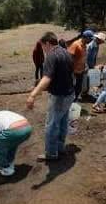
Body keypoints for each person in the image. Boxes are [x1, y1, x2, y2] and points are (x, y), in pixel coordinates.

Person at [26, 32, 74, 161]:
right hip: (69, 94)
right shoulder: (66, 52)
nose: (43, 50)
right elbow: (65, 74)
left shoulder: (51, 56)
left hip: (59, 96)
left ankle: (51, 153)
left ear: (47, 43)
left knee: (51, 125)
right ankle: (60, 148)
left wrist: (33, 95)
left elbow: (47, 78)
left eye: (43, 47)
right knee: (63, 122)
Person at [0, 109, 32, 176]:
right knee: (10, 144)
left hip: (14, 130)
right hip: (27, 128)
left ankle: (6, 169)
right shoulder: (0, 114)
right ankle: (10, 164)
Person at [68, 30, 94, 101]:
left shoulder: (85, 45)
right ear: (85, 37)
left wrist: (85, 66)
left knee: (78, 87)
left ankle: (75, 100)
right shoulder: (76, 45)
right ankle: (71, 102)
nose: (91, 40)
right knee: (72, 87)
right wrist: (71, 71)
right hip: (74, 71)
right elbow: (70, 58)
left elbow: (83, 57)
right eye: (90, 38)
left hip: (81, 70)